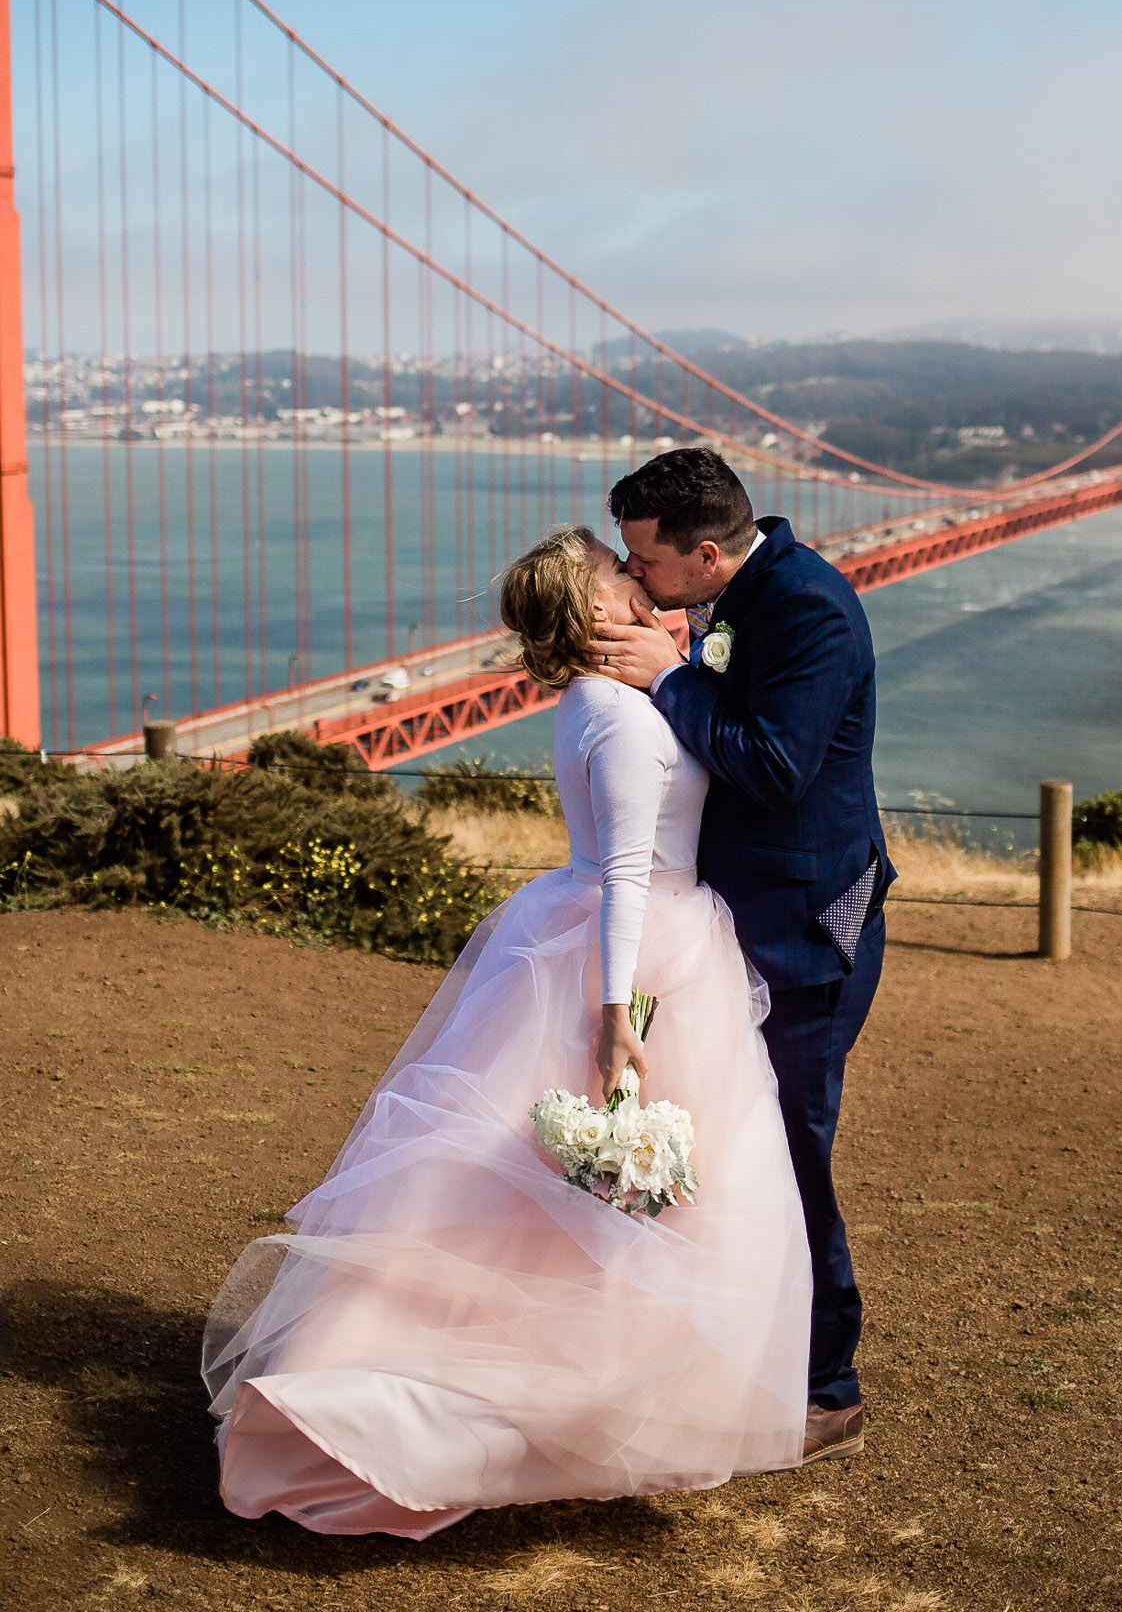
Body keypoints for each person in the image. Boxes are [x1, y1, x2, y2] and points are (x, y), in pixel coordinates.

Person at [202, 527, 810, 1537]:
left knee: (575, 1203)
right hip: (639, 947)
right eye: (617, 570)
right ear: (596, 611)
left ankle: (570, 1409)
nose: (636, 571)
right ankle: (450, 1417)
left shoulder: (611, 696)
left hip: (620, 933)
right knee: (597, 1195)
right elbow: (623, 869)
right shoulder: (617, 713)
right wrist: (617, 1016)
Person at [595, 448, 894, 1464]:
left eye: (643, 560)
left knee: (791, 1154)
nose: (633, 576)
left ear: (708, 551)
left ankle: (829, 1386)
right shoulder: (736, 592)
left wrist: (672, 674)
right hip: (728, 925)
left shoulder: (808, 607)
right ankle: (732, 1350)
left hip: (807, 927)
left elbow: (772, 764)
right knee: (728, 1150)